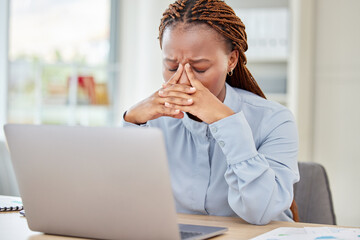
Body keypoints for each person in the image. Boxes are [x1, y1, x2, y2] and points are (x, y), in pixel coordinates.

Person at [121, 0, 299, 225]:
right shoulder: (154, 121)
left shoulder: (274, 121)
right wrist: (131, 123)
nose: (184, 80)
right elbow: (124, 205)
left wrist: (226, 121)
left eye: (200, 68)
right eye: (171, 67)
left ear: (231, 60)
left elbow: (260, 212)